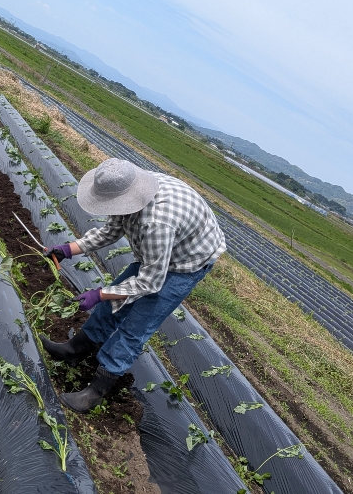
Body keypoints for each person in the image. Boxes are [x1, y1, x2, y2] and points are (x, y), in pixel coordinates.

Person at [42, 158, 226, 413]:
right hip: (160, 252)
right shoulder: (128, 188)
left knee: (135, 326)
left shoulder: (157, 222)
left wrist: (100, 293)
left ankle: (95, 392)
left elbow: (151, 281)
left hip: (185, 263)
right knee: (111, 307)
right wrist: (67, 249)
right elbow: (111, 230)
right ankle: (75, 350)